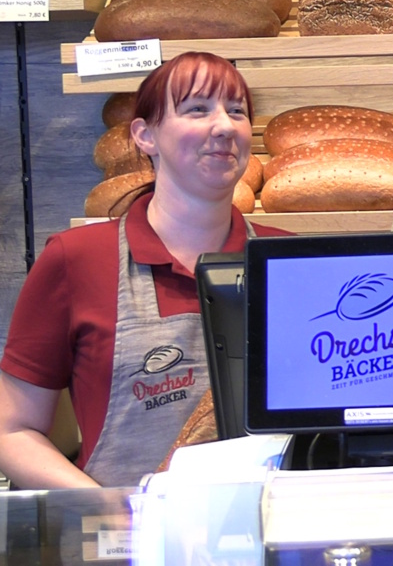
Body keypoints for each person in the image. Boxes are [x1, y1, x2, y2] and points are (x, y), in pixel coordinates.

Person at [0, 51, 288, 488]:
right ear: (145, 135)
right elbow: (11, 431)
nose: (225, 127)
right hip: (128, 545)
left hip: (273, 540)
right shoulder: (77, 259)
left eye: (237, 112)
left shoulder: (287, 259)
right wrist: (99, 505)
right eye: (197, 109)